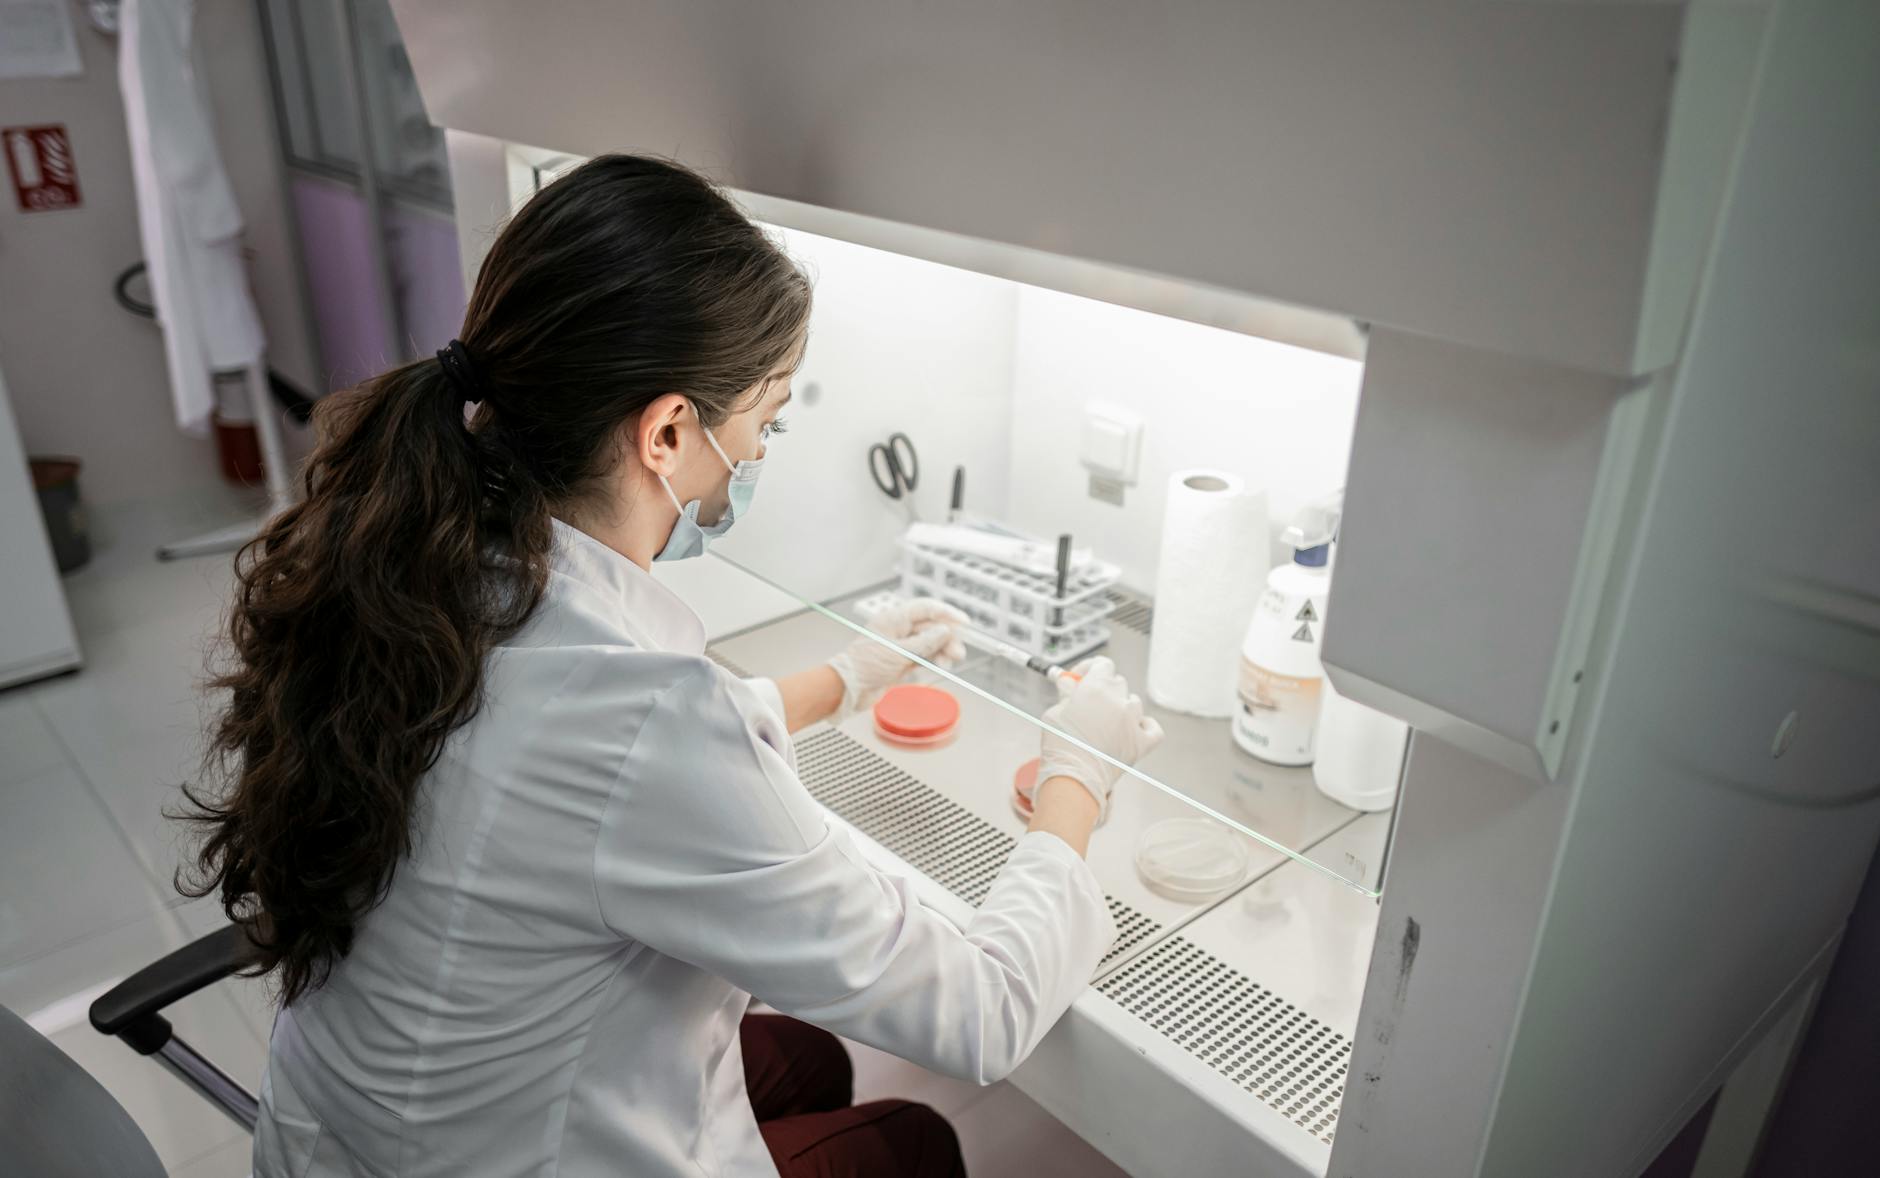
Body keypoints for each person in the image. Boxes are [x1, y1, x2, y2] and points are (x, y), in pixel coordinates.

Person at [181, 154, 1164, 1178]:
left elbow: (555, 755)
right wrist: (1075, 778)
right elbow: (978, 1010)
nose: (765, 451)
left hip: (353, 1132)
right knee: (913, 1138)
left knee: (802, 1055)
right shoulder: (642, 712)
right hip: (479, 1153)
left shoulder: (425, 567)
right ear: (665, 432)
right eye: (766, 418)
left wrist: (844, 676)